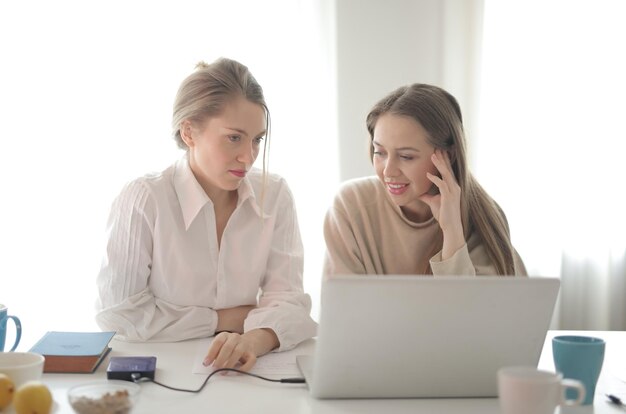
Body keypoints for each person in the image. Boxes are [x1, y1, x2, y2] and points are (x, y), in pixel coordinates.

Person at [96, 57, 317, 371]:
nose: (249, 156)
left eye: (257, 140)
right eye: (234, 137)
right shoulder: (145, 199)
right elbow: (118, 315)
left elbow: (291, 303)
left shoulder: (276, 194)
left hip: (244, 370)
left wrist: (253, 339)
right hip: (159, 372)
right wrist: (223, 319)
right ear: (189, 132)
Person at [323, 83, 527, 277]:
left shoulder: (484, 218)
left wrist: (452, 232)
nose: (389, 171)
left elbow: (472, 310)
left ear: (449, 155)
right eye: (380, 152)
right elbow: (343, 307)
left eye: (406, 157)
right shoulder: (350, 206)